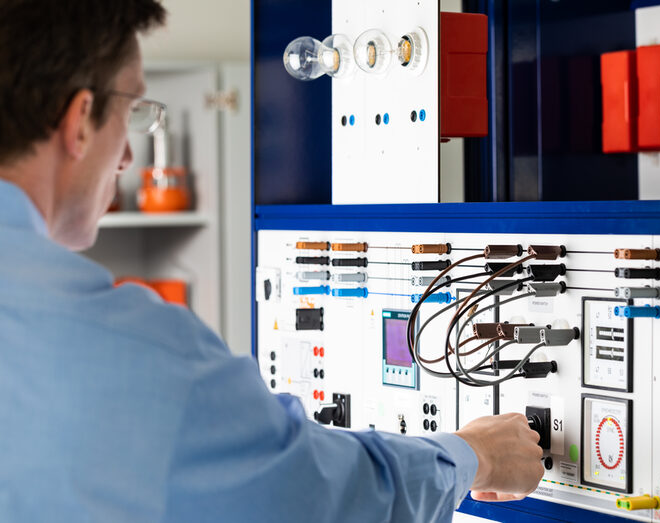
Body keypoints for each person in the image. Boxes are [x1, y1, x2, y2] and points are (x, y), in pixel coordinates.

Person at [0, 1, 544, 522]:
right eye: (131, 111)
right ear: (80, 120)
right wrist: (475, 454)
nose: (125, 156)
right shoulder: (128, 350)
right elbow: (319, 496)